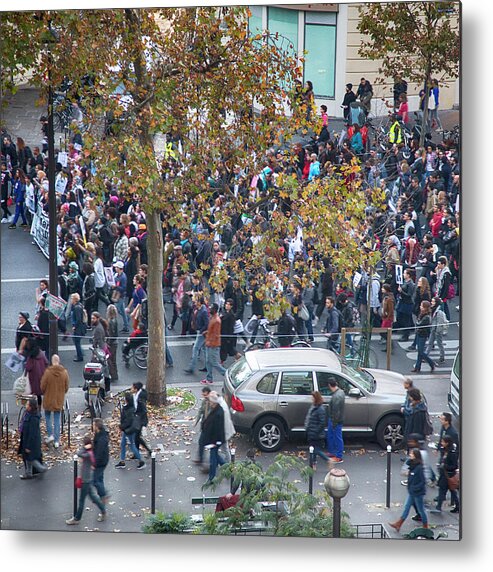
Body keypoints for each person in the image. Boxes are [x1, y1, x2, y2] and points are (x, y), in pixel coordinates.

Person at [66, 435, 107, 525]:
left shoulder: (88, 454)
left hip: (86, 479)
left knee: (81, 500)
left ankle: (77, 518)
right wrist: (85, 447)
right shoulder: (90, 452)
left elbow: (79, 453)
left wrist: (84, 448)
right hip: (87, 479)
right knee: (93, 497)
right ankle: (103, 511)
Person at [389, 448, 428, 532]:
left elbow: (423, 481)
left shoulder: (419, 468)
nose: (410, 455)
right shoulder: (412, 465)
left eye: (412, 454)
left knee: (421, 510)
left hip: (418, 493)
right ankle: (398, 524)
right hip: (411, 492)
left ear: (416, 456)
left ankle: (425, 526)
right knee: (406, 507)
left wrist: (415, 488)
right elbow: (407, 469)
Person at [40, 354, 69, 449]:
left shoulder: (48, 372)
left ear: (52, 361)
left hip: (48, 398)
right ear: (59, 361)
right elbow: (66, 387)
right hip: (58, 399)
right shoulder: (64, 373)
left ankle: (50, 435)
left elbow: (42, 386)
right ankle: (56, 441)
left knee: (47, 417)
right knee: (57, 419)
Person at [18, 397, 47, 479]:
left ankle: (40, 469)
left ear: (31, 406)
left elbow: (32, 433)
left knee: (30, 458)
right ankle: (29, 473)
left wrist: (28, 446)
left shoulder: (33, 418)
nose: (25, 405)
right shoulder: (28, 414)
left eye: (27, 404)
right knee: (28, 457)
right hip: (27, 439)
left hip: (30, 442)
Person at [115, 393, 146, 470]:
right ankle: (122, 461)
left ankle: (141, 461)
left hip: (128, 431)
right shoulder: (130, 408)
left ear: (127, 400)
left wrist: (121, 427)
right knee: (122, 444)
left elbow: (127, 422)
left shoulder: (128, 410)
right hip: (127, 430)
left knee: (131, 445)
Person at [430, 435, 459, 514]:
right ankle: (458, 506)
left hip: (448, 475)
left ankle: (439, 507)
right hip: (444, 474)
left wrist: (445, 466)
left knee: (442, 490)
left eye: (443, 442)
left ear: (447, 443)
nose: (441, 443)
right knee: (451, 490)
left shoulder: (452, 453)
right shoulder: (444, 450)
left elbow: (454, 466)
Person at [201, 391, 226, 484]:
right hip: (213, 440)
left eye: (211, 402)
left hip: (215, 440)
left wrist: (217, 441)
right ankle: (228, 469)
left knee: (213, 459)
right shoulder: (216, 410)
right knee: (216, 456)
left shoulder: (218, 413)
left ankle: (212, 478)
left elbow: (218, 429)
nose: (210, 403)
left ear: (214, 403)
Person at [202, 303, 226, 385]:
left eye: (211, 308)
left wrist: (209, 341)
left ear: (215, 310)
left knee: (214, 363)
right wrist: (207, 332)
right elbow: (212, 331)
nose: (209, 309)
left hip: (213, 345)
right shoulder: (213, 318)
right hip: (210, 344)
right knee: (208, 361)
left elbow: (216, 335)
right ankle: (209, 378)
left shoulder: (217, 321)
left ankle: (226, 374)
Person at [184, 296, 209, 374]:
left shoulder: (203, 311)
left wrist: (201, 330)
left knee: (195, 348)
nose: (194, 301)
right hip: (201, 331)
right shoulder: (198, 309)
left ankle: (192, 367)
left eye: (196, 300)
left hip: (202, 333)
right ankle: (207, 366)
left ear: (199, 302)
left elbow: (207, 323)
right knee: (204, 350)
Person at [305, 391, 330, 465]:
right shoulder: (314, 407)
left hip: (316, 433)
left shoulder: (320, 409)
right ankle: (314, 463)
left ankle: (327, 460)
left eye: (313, 397)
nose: (311, 399)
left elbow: (322, 422)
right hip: (312, 431)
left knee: (315, 450)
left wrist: (315, 431)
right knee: (313, 448)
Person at [411, 300, 436, 373]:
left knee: (421, 352)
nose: (420, 307)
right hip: (419, 333)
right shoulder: (423, 314)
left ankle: (431, 363)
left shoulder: (426, 317)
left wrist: (417, 322)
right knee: (419, 352)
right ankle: (417, 367)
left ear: (425, 308)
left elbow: (419, 324)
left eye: (422, 306)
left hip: (423, 335)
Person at [24, 337, 49, 407]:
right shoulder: (40, 353)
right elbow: (46, 363)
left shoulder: (31, 357)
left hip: (33, 379)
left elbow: (28, 367)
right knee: (39, 395)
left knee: (34, 395)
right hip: (42, 377)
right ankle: (40, 408)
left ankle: (34, 410)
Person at [326, 379, 345, 463]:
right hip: (337, 419)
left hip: (335, 420)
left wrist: (334, 423)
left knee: (337, 437)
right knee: (332, 436)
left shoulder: (336, 396)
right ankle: (333, 453)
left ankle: (338, 456)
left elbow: (336, 412)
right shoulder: (340, 392)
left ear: (330, 385)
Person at [193, 385, 212, 465]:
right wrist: (196, 421)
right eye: (203, 395)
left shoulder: (213, 402)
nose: (204, 397)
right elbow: (200, 411)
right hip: (204, 425)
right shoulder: (204, 401)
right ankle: (200, 459)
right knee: (201, 442)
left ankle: (217, 461)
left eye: (205, 395)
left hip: (211, 427)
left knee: (212, 446)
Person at [132, 382, 152, 458]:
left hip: (139, 419)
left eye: (132, 387)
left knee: (137, 437)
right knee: (136, 437)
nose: (131, 389)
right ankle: (136, 453)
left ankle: (148, 450)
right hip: (137, 418)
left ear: (136, 389)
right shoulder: (137, 394)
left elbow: (143, 409)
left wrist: (137, 416)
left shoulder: (140, 397)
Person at [92, 418, 110, 504]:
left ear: (96, 426)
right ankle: (102, 495)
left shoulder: (101, 438)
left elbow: (99, 452)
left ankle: (103, 495)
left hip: (100, 462)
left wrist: (94, 463)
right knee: (99, 478)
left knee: (95, 480)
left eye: (93, 425)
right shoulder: (99, 434)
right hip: (102, 460)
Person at [426, 296, 448, 364]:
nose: (431, 302)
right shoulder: (433, 309)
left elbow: (440, 323)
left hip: (437, 331)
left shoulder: (439, 312)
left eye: (433, 301)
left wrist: (437, 332)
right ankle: (426, 356)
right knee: (430, 342)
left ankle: (442, 357)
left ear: (436, 303)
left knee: (439, 344)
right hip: (433, 329)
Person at [70, 293, 86, 362]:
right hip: (80, 327)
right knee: (76, 340)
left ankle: (80, 356)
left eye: (71, 299)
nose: (71, 300)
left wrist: (75, 326)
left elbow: (78, 319)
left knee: (77, 341)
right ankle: (81, 353)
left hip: (78, 328)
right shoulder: (79, 306)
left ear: (74, 299)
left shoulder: (76, 308)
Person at [106, 304, 119, 382]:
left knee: (110, 360)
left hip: (112, 343)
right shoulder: (115, 320)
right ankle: (115, 374)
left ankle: (113, 375)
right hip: (115, 342)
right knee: (113, 359)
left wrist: (108, 342)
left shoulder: (110, 322)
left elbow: (111, 333)